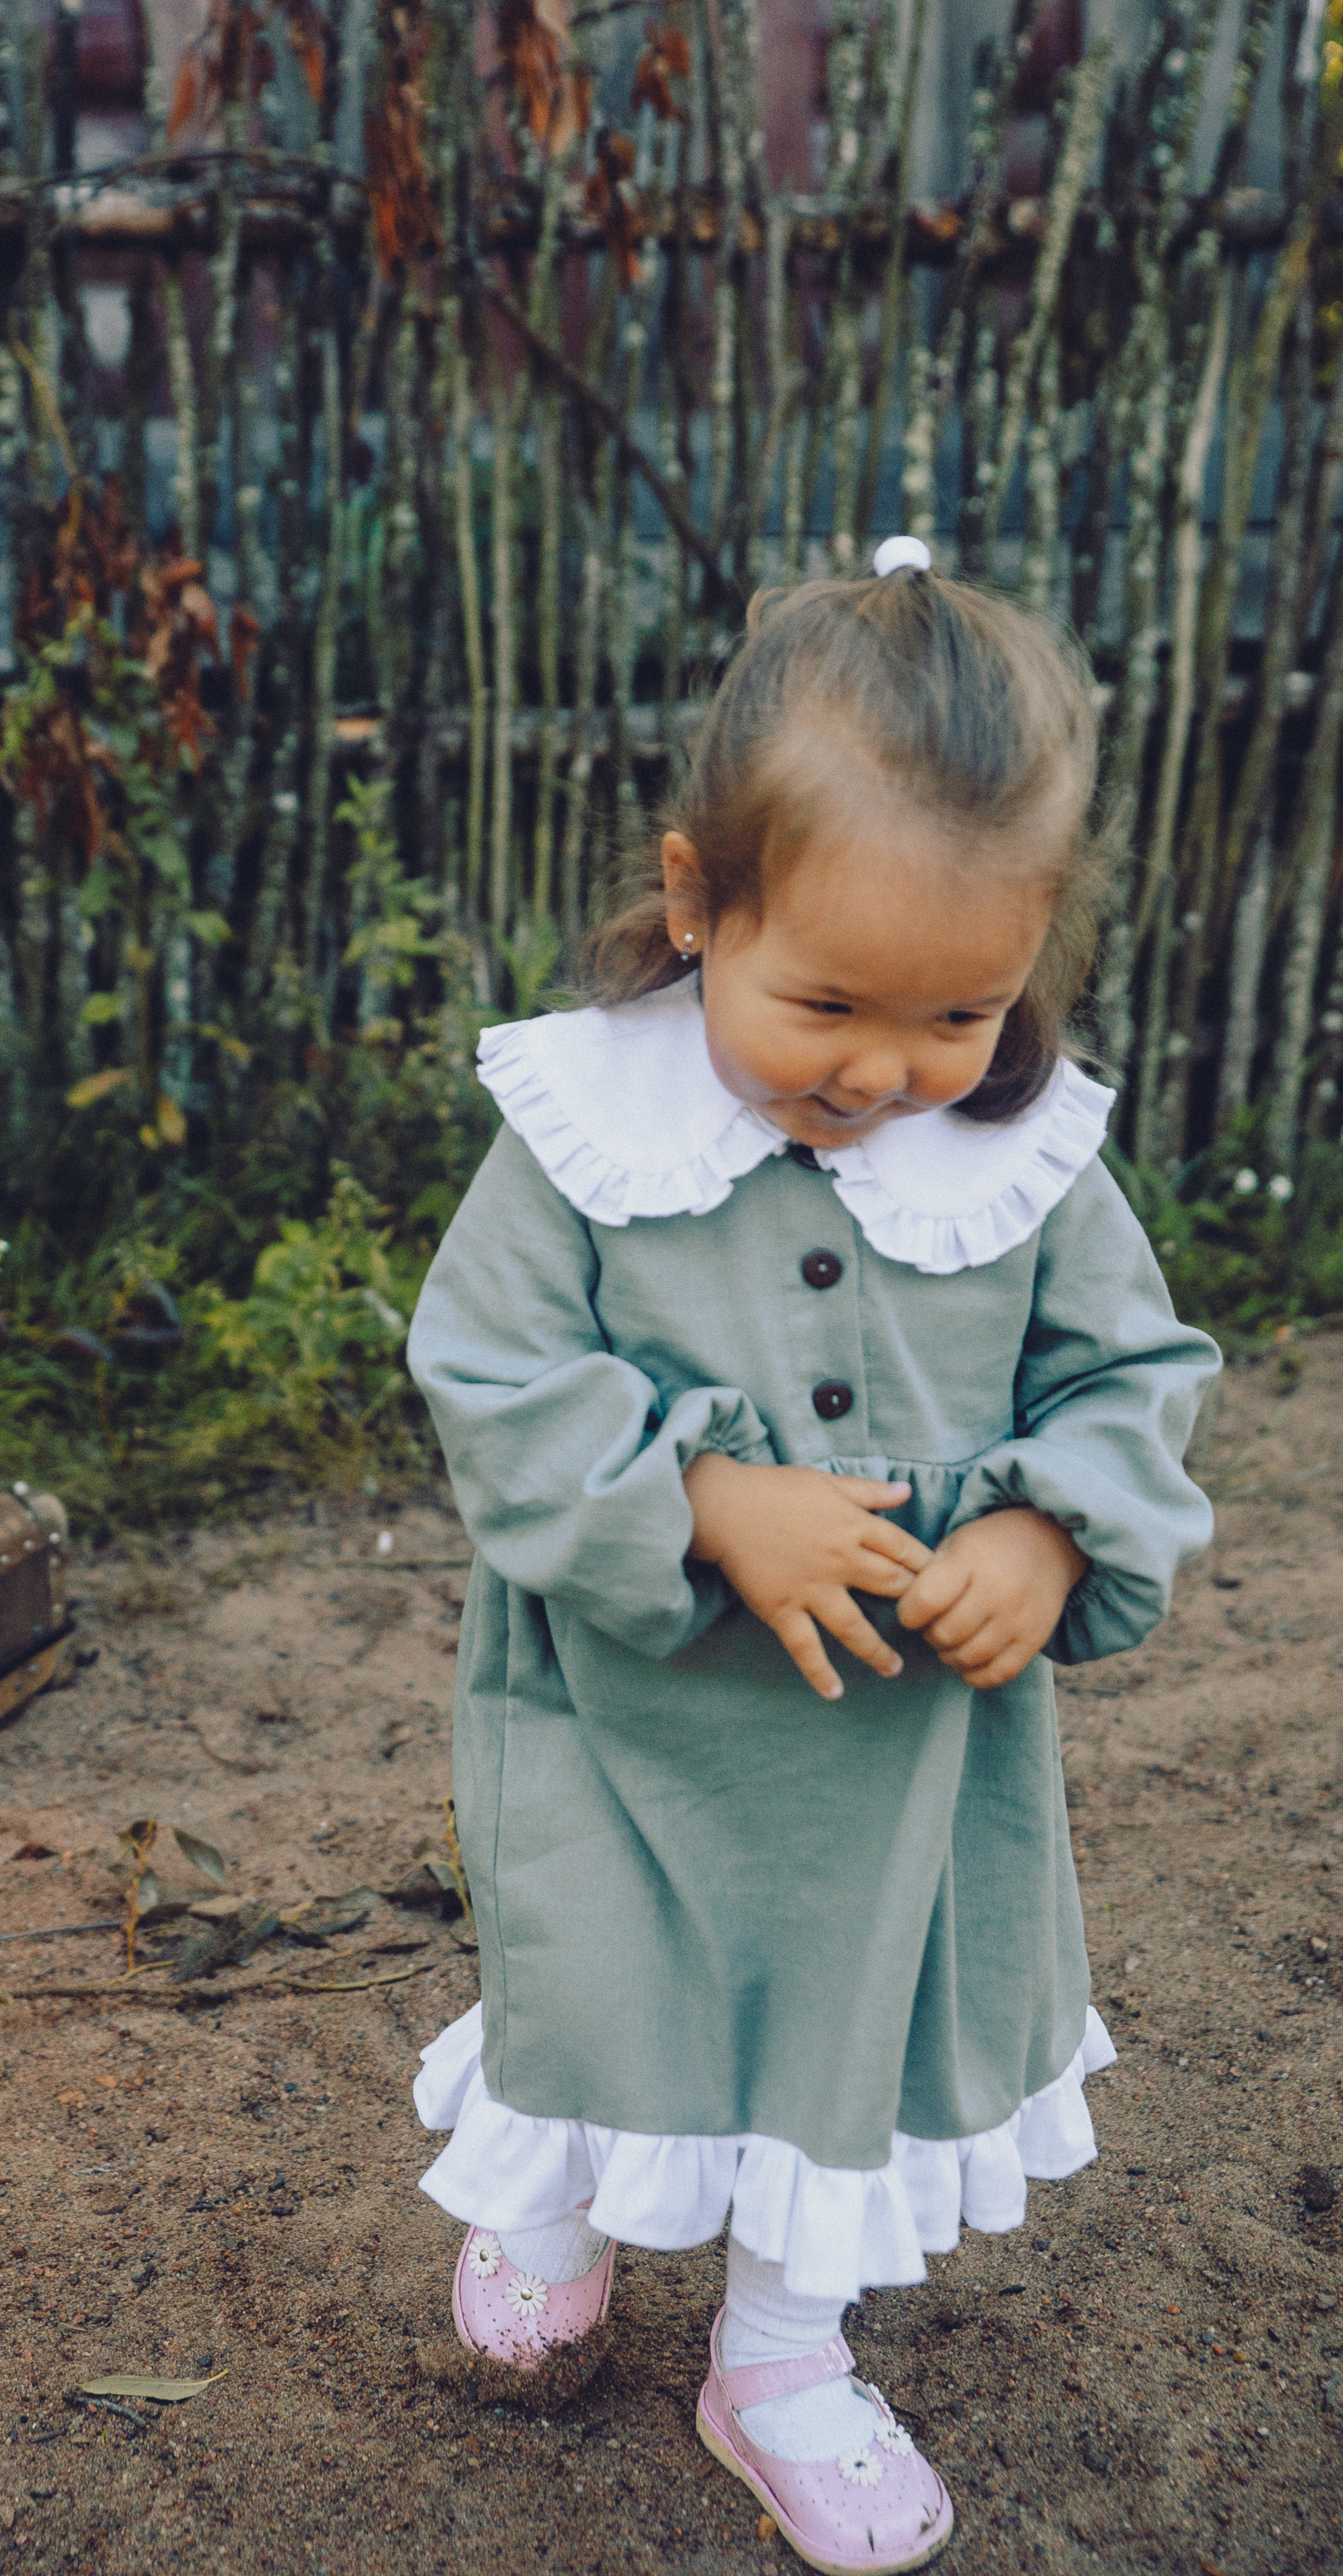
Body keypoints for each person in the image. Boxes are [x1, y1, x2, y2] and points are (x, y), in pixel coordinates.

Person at [404, 540, 1219, 2575]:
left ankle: (776, 2353)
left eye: (961, 1008)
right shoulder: (588, 1129)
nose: (885, 1071)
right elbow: (488, 1368)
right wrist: (690, 1495)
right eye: (826, 1004)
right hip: (625, 1702)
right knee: (608, 1967)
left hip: (898, 1756)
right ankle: (554, 2205)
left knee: (839, 2035)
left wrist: (1048, 1520)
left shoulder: (1024, 1157)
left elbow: (1135, 1367)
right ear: (699, 903)